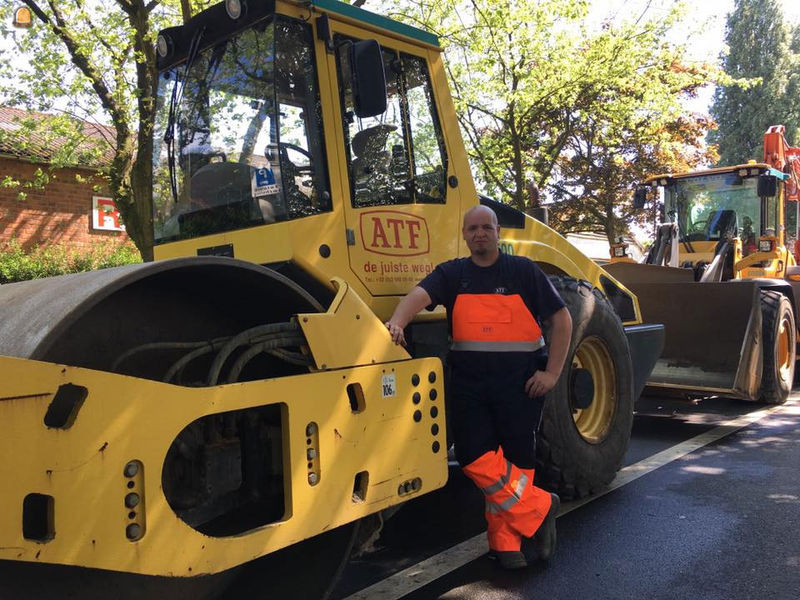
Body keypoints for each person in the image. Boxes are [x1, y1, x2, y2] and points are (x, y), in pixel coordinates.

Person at [385, 204, 572, 570]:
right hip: (470, 384)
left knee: (518, 463)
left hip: (520, 385)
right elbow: (419, 297)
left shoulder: (523, 271)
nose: (479, 233)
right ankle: (540, 508)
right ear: (465, 234)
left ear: (498, 232)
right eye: (472, 228)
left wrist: (551, 374)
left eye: (486, 227)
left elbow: (562, 318)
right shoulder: (453, 274)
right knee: (472, 456)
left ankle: (506, 544)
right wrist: (397, 321)